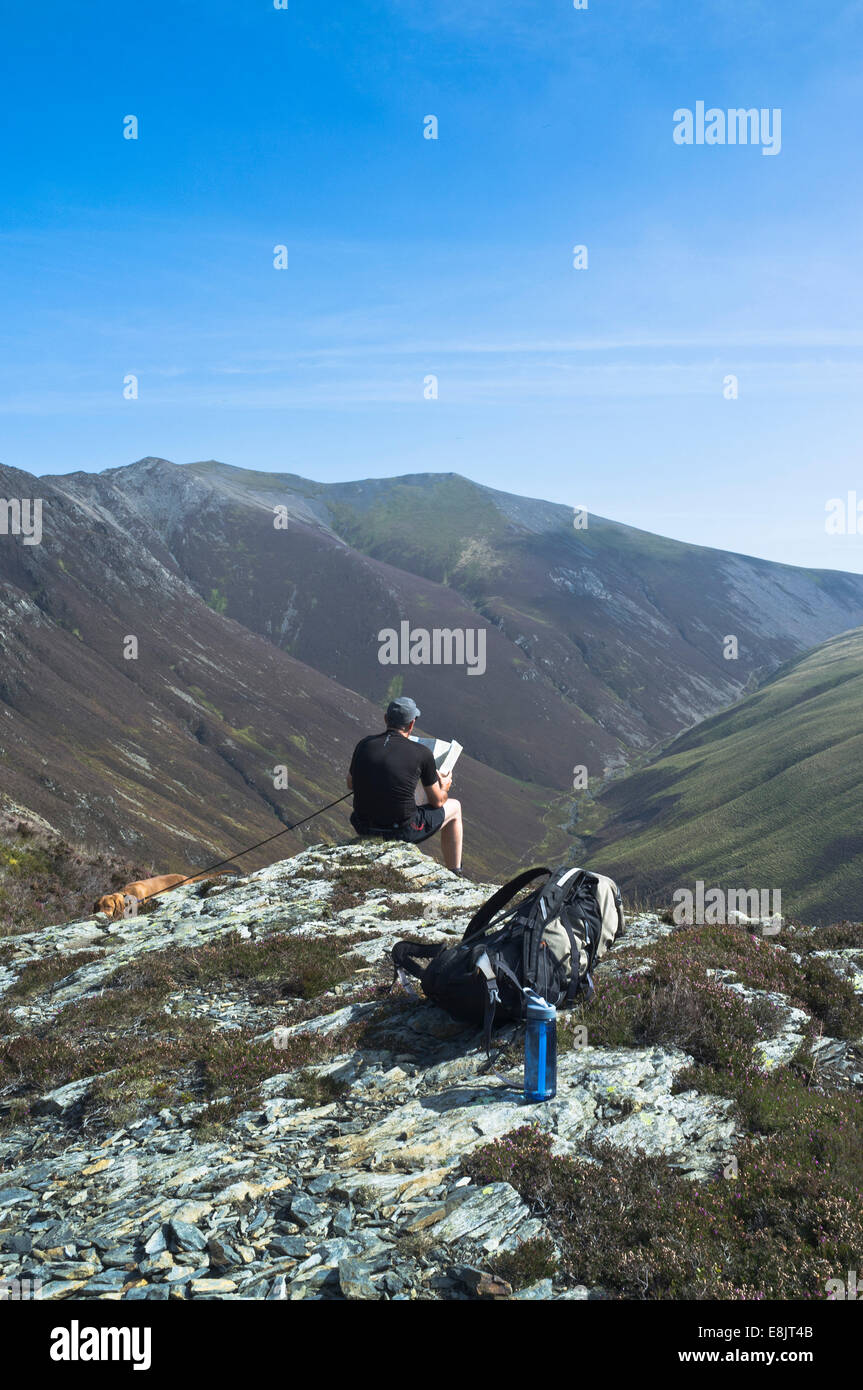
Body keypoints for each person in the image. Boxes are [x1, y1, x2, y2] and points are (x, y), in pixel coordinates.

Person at [347, 696, 464, 874]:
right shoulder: (422, 754)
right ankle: (455, 872)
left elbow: (350, 784)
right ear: (411, 724)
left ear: (386, 719)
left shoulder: (364, 744)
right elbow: (438, 802)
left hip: (363, 825)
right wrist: (444, 787)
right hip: (399, 831)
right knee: (455, 807)